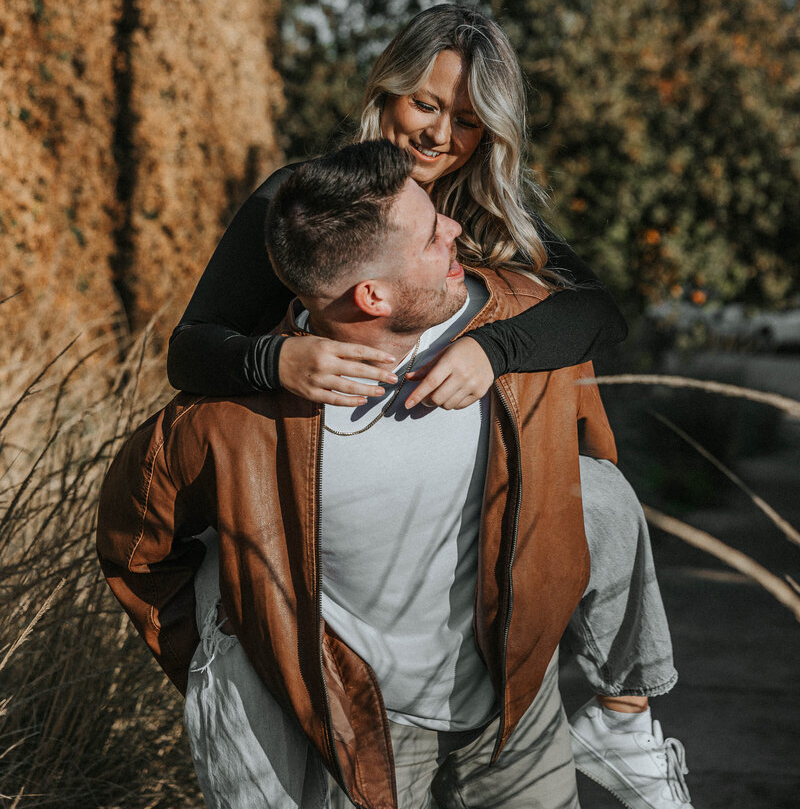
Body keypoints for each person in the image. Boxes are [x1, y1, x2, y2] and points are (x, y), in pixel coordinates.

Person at [166, 5, 693, 809]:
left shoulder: (484, 216)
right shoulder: (310, 203)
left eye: (471, 121)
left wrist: (493, 349)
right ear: (387, 86)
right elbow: (190, 348)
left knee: (602, 498)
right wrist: (276, 356)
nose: (441, 135)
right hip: (349, 606)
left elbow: (596, 311)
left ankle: (624, 714)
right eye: (426, 104)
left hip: (476, 603)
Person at [98, 139, 621, 809]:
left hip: (517, 717)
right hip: (365, 738)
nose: (459, 229)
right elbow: (134, 547)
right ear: (371, 295)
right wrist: (245, 661)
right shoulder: (231, 426)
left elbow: (590, 462)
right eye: (435, 236)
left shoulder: (522, 326)